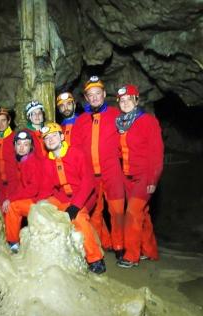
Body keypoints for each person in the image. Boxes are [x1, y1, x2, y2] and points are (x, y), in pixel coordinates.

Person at [38, 122, 106, 274]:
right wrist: (39, 206)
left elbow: (88, 182)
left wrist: (75, 206)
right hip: (62, 198)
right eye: (46, 138)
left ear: (62, 136)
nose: (50, 140)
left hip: (83, 196)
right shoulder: (47, 161)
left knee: (78, 219)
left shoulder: (76, 153)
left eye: (54, 135)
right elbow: (45, 188)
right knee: (43, 210)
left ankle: (95, 259)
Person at [72, 76, 125, 259]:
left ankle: (119, 246)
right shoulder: (81, 120)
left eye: (97, 93)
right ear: (86, 98)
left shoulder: (115, 115)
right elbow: (76, 149)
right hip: (90, 175)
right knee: (94, 212)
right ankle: (100, 245)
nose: (94, 98)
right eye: (90, 95)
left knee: (117, 210)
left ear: (104, 94)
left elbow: (126, 141)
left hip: (112, 171)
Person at [115, 84, 164, 268]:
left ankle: (131, 255)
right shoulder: (121, 123)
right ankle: (150, 251)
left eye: (129, 99)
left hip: (144, 176)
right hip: (128, 176)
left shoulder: (147, 121)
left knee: (132, 214)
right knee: (143, 213)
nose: (125, 103)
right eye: (122, 100)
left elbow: (156, 153)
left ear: (137, 100)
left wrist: (153, 179)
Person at [3, 130, 42, 253]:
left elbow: (33, 188)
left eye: (25, 144)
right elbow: (22, 186)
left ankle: (13, 243)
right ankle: (13, 242)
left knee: (12, 207)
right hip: (35, 199)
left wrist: (12, 199)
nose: (22, 147)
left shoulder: (32, 162)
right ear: (14, 146)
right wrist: (11, 197)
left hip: (40, 201)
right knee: (11, 205)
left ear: (31, 146)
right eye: (19, 144)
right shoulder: (23, 161)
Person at [0, 106, 20, 206]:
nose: (0, 124)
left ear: (9, 121)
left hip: (15, 183)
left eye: (3, 120)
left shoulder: (16, 138)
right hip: (0, 185)